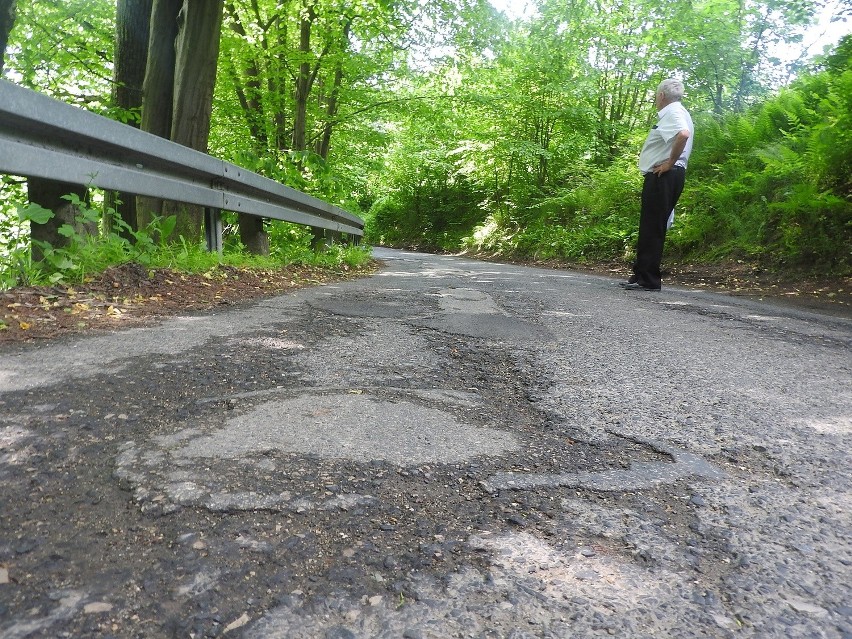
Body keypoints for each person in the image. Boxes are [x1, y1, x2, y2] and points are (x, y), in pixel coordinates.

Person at [622, 78, 694, 291]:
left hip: (664, 175)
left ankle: (649, 279)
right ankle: (641, 274)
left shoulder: (673, 112)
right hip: (668, 175)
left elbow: (683, 134)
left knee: (652, 227)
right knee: (651, 225)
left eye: (656, 96)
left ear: (661, 96)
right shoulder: (679, 111)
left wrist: (669, 163)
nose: (655, 99)